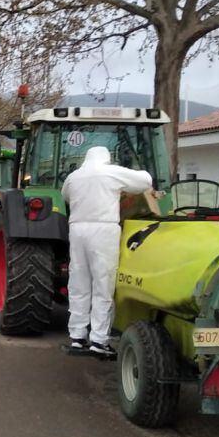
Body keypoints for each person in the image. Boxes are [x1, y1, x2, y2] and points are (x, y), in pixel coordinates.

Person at [61, 146, 153, 357]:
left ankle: (77, 336)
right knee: (103, 284)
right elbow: (145, 181)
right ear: (106, 158)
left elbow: (66, 196)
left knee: (79, 282)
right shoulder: (111, 172)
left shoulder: (74, 177)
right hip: (103, 229)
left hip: (77, 230)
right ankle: (99, 340)